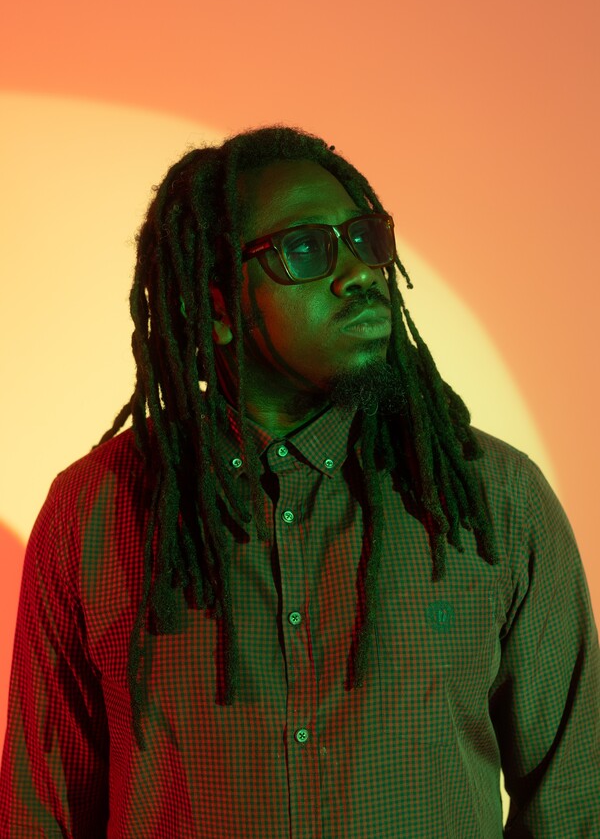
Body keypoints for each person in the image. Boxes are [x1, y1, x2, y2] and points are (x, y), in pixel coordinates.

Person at [0, 125, 598, 838]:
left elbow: (574, 801)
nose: (360, 273)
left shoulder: (496, 500)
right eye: (306, 249)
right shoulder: (92, 514)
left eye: (365, 239)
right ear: (216, 310)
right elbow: (41, 813)